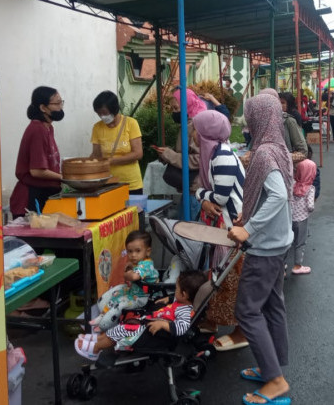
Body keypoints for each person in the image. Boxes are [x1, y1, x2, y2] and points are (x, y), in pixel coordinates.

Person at [227, 93, 293, 405]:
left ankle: (276, 381)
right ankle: (273, 368)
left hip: (265, 246)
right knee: (272, 306)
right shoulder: (279, 147)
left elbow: (278, 196)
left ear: (258, 119)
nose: (247, 123)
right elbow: (272, 195)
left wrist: (247, 228)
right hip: (280, 241)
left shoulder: (265, 153)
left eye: (249, 116)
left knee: (247, 311)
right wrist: (249, 214)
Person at [192, 109, 248, 352]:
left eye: (195, 128)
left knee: (230, 279)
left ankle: (242, 331)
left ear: (206, 132)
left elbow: (221, 197)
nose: (193, 134)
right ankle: (213, 321)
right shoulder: (214, 153)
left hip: (232, 228)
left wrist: (199, 195)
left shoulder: (222, 155)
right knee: (219, 275)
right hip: (225, 226)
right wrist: (205, 198)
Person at [74, 270, 206, 360]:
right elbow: (176, 302)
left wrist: (164, 324)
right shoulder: (183, 302)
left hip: (153, 336)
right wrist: (169, 299)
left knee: (120, 330)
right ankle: (98, 340)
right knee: (121, 326)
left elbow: (181, 327)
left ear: (184, 295)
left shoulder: (185, 311)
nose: (175, 291)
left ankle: (95, 350)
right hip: (146, 324)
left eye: (176, 289)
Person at [156, 88, 229, 219]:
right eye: (172, 108)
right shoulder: (189, 122)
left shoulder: (198, 125)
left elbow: (200, 158)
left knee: (189, 230)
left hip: (196, 188)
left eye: (176, 108)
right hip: (190, 187)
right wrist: (167, 154)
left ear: (187, 105)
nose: (174, 112)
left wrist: (171, 155)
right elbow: (186, 150)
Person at [9, 86, 63, 218]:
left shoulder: (48, 128)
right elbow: (37, 170)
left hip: (44, 194)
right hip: (30, 199)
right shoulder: (37, 129)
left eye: (61, 102)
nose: (60, 107)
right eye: (56, 103)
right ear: (43, 108)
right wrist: (66, 178)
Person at [90, 232, 159, 331]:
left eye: (137, 251)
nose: (133, 255)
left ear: (148, 251)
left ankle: (104, 325)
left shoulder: (146, 265)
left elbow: (134, 276)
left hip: (143, 298)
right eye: (130, 251)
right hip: (134, 292)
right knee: (116, 292)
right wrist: (130, 268)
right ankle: (102, 315)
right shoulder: (139, 262)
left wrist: (126, 274)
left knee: (120, 303)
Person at [90, 91, 144, 194]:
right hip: (107, 183)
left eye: (104, 112)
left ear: (114, 109)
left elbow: (138, 153)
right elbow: (96, 155)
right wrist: (85, 165)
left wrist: (111, 160)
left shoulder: (130, 123)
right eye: (98, 113)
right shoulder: (97, 127)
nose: (102, 116)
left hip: (131, 184)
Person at [288, 159, 316, 275]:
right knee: (300, 243)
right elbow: (310, 206)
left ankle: (283, 266)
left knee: (288, 242)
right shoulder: (310, 189)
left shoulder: (292, 185)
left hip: (290, 219)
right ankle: (297, 265)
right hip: (302, 220)